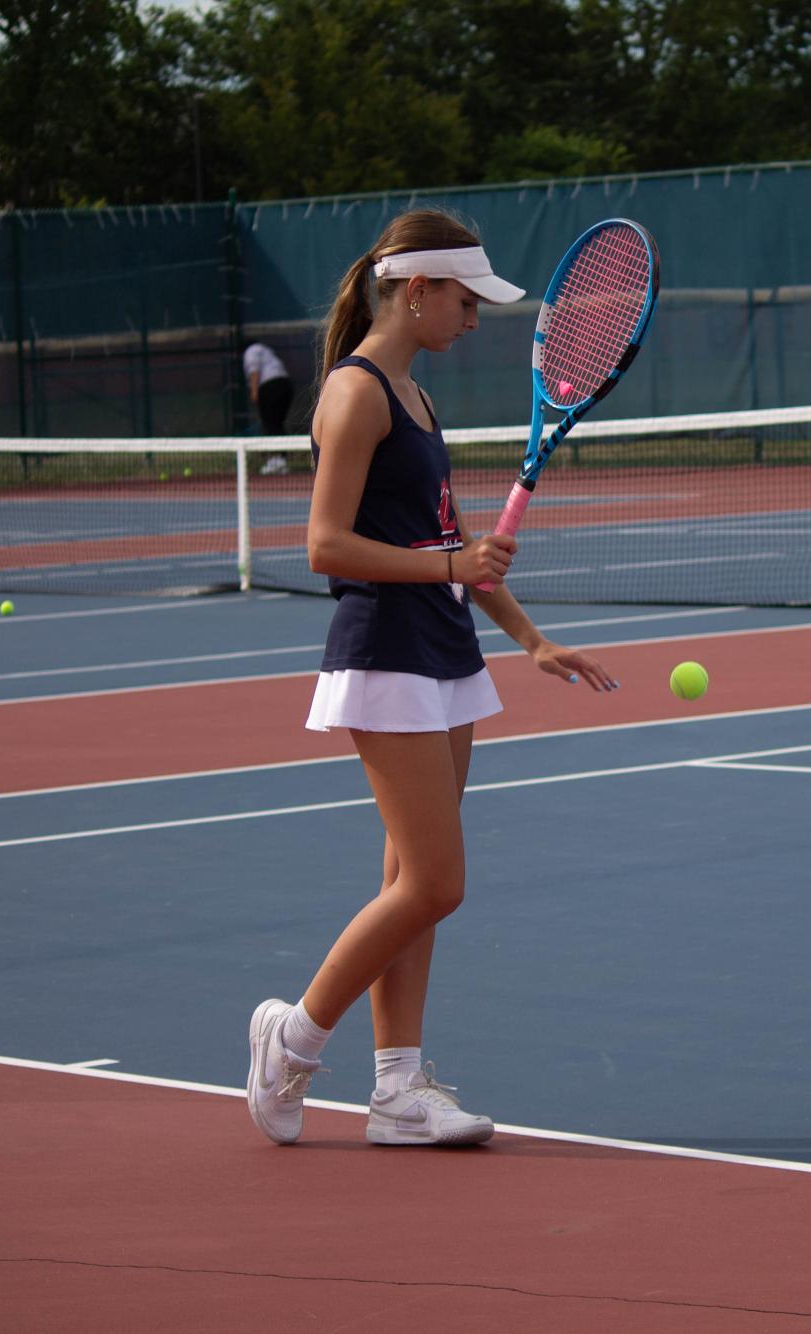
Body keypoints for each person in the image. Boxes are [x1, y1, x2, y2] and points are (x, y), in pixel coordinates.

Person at [246, 209, 619, 1148]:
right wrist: (451, 571)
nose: (475, 317)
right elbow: (325, 544)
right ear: (416, 291)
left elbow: (452, 545)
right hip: (385, 653)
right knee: (436, 884)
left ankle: (397, 1090)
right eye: (465, 299)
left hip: (444, 651)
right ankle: (290, 1040)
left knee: (410, 877)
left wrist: (528, 638)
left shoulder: (414, 398)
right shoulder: (356, 394)